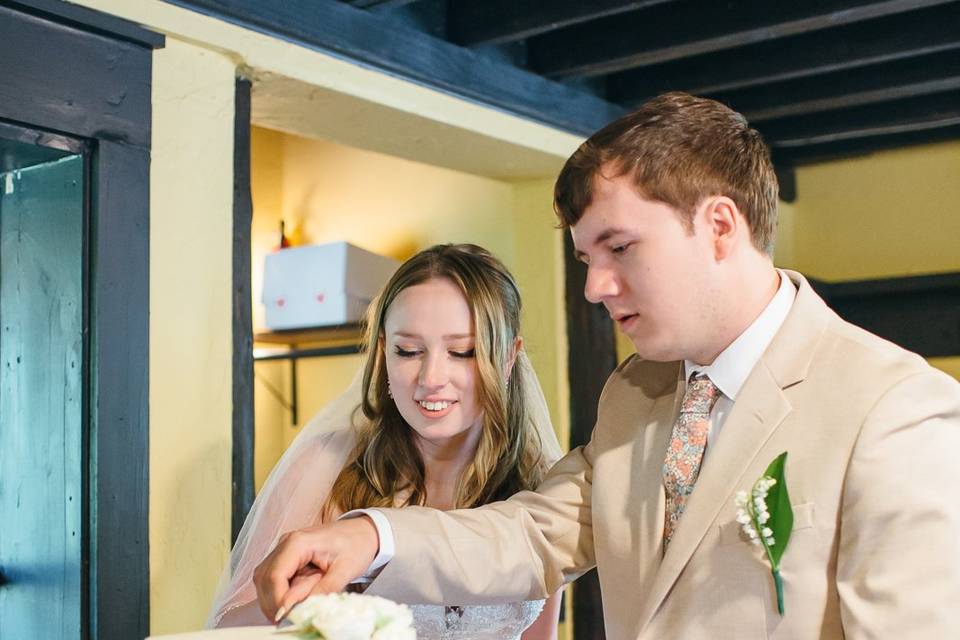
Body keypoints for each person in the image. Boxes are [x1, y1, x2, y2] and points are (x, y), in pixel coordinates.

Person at [252, 93, 960, 639]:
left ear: (718, 227)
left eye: (619, 248)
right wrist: (370, 534)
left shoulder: (894, 409)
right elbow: (533, 532)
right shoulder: (635, 393)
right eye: (587, 259)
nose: (594, 287)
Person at [208, 243, 564, 639]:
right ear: (383, 351)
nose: (431, 378)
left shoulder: (542, 489)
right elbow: (225, 629)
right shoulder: (324, 468)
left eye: (461, 352)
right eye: (408, 350)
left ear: (509, 358)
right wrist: (312, 604)